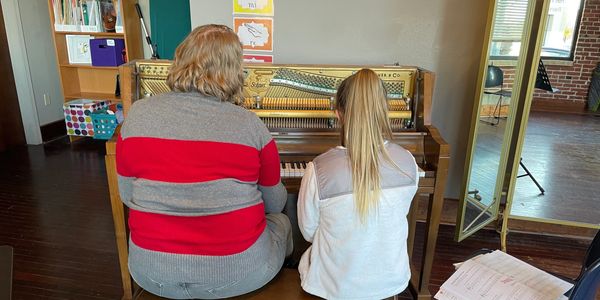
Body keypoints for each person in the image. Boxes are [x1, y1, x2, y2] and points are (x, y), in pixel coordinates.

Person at [116, 24, 292, 299]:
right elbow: (274, 203)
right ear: (233, 71)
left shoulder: (136, 117)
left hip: (150, 272)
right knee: (282, 222)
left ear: (181, 59)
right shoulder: (250, 125)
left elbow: (127, 196)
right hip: (238, 275)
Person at [297, 69, 419, 300]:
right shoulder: (408, 162)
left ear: (339, 114)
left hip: (335, 288)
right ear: (384, 111)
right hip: (391, 282)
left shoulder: (319, 169)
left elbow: (309, 232)